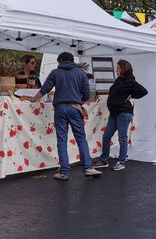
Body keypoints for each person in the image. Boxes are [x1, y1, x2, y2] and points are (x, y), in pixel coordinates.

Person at [28, 52, 101, 180]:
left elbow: (45, 88)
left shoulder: (55, 72)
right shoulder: (80, 73)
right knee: (81, 138)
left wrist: (34, 98)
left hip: (60, 109)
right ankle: (88, 168)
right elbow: (86, 93)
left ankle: (64, 172)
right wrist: (79, 103)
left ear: (60, 61)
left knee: (62, 140)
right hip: (75, 108)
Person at [93, 60, 147, 171]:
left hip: (123, 112)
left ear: (124, 69)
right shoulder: (118, 81)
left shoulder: (130, 81)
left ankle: (121, 161)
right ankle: (104, 160)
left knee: (122, 137)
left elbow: (143, 91)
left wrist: (131, 95)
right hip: (114, 113)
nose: (116, 70)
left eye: (118, 68)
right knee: (106, 136)